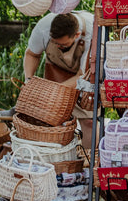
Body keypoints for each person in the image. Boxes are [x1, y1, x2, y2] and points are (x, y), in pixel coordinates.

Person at [23, 10, 95, 147]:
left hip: (83, 76)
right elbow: (31, 54)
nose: (59, 47)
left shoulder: (92, 32)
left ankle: (88, 161)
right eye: (55, 43)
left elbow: (82, 74)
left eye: (63, 45)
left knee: (89, 121)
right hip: (55, 72)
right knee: (50, 120)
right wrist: (29, 81)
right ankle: (54, 157)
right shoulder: (43, 27)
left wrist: (52, 92)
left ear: (77, 35)